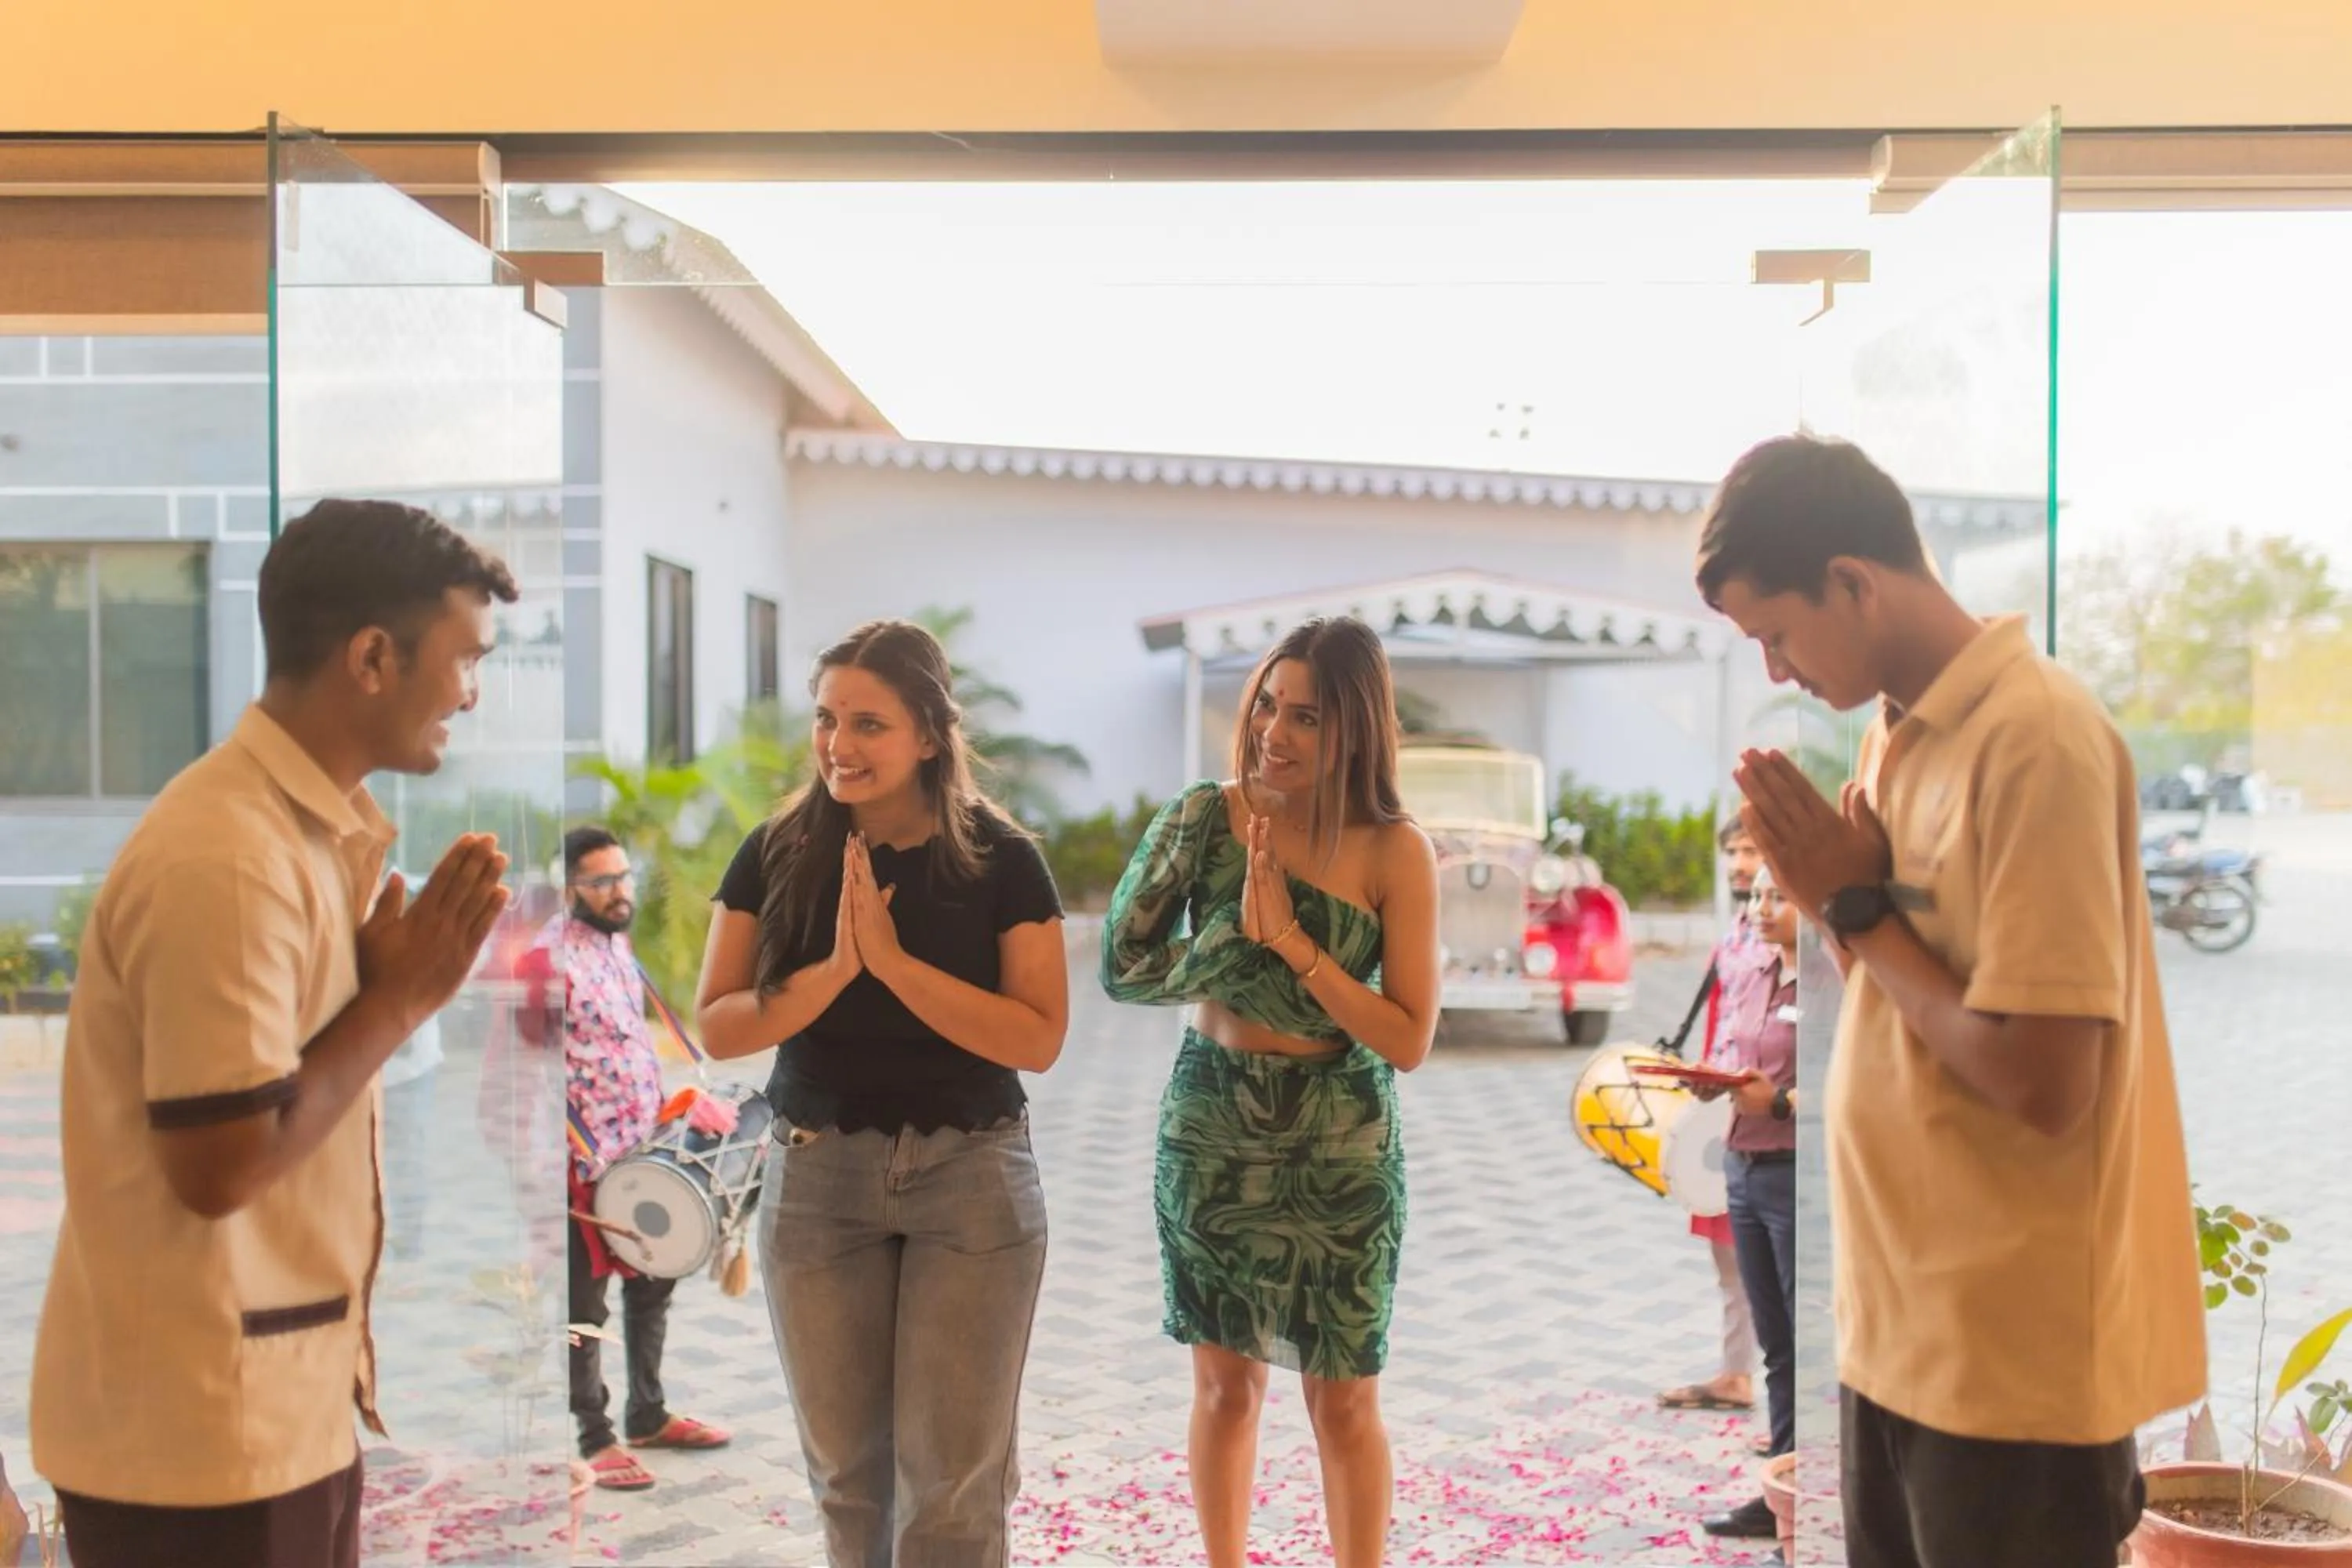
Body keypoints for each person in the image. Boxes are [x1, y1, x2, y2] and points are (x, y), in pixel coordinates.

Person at [1699, 434, 2204, 1568]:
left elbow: (2044, 1082)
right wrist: (1836, 905)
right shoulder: (1893, 738)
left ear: (1854, 581)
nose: (1777, 671)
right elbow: (1899, 991)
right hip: (1899, 1337)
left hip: (2009, 1373)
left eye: (1777, 633)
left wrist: (1854, 906)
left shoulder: (2038, 740)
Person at [31, 498, 518, 1568]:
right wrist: (396, 1002)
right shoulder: (231, 854)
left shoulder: (293, 833)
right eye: (464, 659)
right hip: (203, 1444)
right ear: (374, 658)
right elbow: (220, 1162)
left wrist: (389, 993)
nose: (472, 693)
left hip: (271, 1420)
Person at [693, 619, 1069, 1568]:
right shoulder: (776, 849)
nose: (837, 744)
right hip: (818, 1178)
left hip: (972, 1177)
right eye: (826, 719)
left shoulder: (1003, 858)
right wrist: (834, 969)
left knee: (953, 1489)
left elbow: (1040, 1036)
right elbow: (721, 1023)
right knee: (850, 1482)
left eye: (868, 724)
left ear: (930, 737)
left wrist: (895, 965)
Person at [1102, 616, 1442, 1568]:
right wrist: (1227, 945)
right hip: (1215, 1126)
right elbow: (1122, 969)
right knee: (1224, 1387)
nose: (1273, 733)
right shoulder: (1204, 817)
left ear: (1356, 731)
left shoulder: (1395, 850)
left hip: (1343, 1141)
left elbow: (1409, 1036)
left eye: (1305, 717)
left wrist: (1293, 940)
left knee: (1345, 1399)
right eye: (1266, 706)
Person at [514, 826, 735, 1491]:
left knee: (652, 1281)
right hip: (578, 1161)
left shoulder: (614, 942)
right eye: (603, 881)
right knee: (588, 1303)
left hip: (640, 1147)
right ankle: (594, 1435)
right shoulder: (543, 963)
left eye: (624, 876)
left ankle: (648, 1413)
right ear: (570, 889)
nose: (620, 891)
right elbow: (525, 1066)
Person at [1693, 864, 1802, 1551]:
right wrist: (1719, 1083)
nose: (1760, 907)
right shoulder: (1757, 971)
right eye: (1757, 895)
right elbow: (1743, 1059)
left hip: (1797, 1175)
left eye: (1779, 895)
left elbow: (1862, 1086)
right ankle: (1783, 1491)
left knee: (1812, 1343)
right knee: (1778, 1346)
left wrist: (1784, 1103)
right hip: (1745, 1165)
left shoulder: (1831, 983)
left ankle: (1823, 1494)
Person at [1656, 816, 1765, 1422]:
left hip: (1767, 1116)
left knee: (1772, 1268)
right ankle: (1735, 1374)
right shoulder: (1741, 927)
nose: (1739, 864)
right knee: (1731, 1258)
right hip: (1724, 1111)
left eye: (1751, 850)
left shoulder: (1787, 929)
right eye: (1733, 851)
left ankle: (1795, 1419)